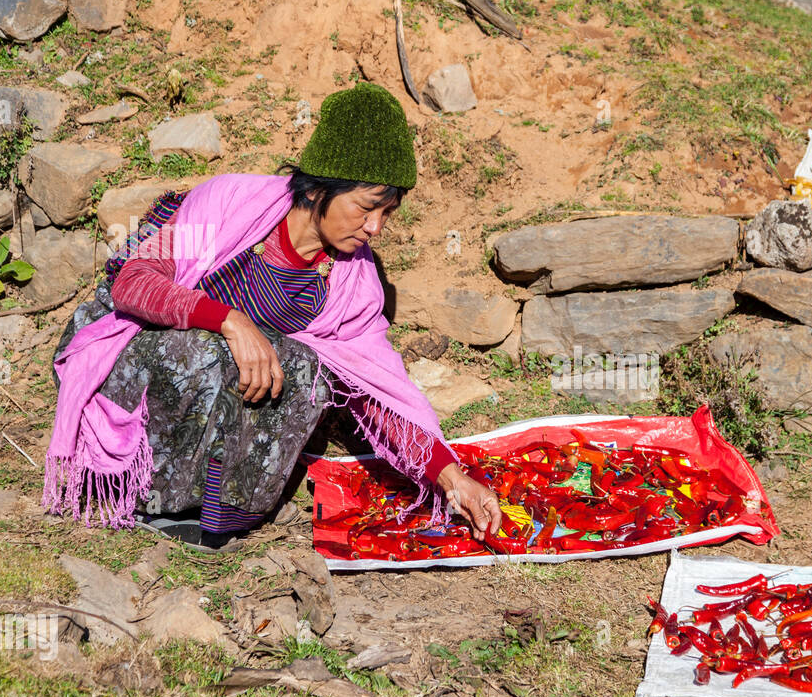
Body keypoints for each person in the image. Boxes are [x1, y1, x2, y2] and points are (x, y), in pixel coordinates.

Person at [45, 81, 500, 549]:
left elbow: (373, 390)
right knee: (206, 350)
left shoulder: (349, 283)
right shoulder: (229, 205)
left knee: (308, 370)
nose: (375, 228)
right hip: (128, 354)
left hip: (220, 383)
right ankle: (150, 497)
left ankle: (226, 511)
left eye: (388, 213)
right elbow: (134, 281)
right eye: (366, 208)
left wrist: (451, 479)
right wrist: (229, 319)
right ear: (322, 187)